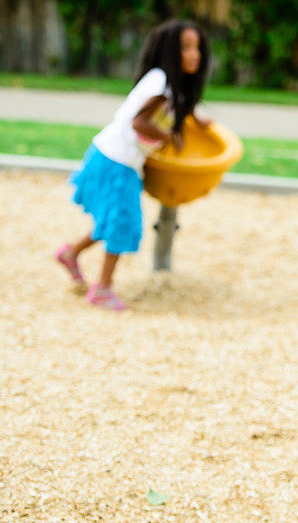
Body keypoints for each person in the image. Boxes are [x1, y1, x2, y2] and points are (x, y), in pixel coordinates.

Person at [55, 19, 211, 310]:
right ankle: (102, 288)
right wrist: (168, 137)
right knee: (122, 222)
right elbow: (138, 122)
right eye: (186, 48)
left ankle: (71, 253)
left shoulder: (168, 85)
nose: (195, 54)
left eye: (197, 48)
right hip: (116, 161)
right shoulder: (160, 81)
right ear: (168, 52)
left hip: (116, 158)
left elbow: (168, 109)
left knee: (113, 218)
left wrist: (194, 118)